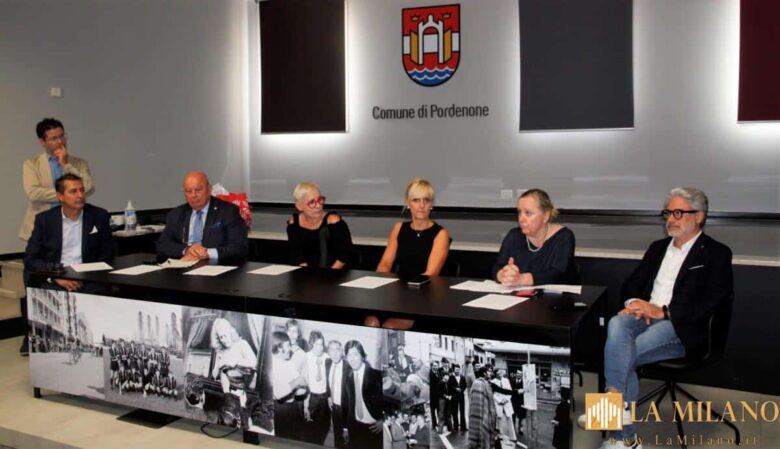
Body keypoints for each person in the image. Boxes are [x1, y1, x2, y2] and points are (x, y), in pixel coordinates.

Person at [593, 187, 733, 449]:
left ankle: (620, 435)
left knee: (621, 354)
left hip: (679, 326)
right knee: (616, 323)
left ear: (699, 216)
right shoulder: (657, 248)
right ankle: (617, 410)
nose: (670, 219)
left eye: (678, 213)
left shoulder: (716, 253)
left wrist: (664, 312)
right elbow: (632, 284)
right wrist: (634, 305)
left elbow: (713, 301)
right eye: (668, 213)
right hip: (643, 316)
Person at [24, 174, 113, 293]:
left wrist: (87, 276)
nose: (80, 195)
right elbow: (31, 258)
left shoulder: (99, 216)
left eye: (82, 190)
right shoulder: (45, 220)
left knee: (96, 290)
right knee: (52, 292)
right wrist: (55, 276)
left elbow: (107, 252)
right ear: (60, 196)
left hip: (88, 277)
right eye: (73, 191)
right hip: (57, 274)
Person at [20, 118, 94, 241]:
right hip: (43, 224)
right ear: (42, 142)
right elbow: (33, 193)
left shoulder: (80, 163)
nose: (60, 141)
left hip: (74, 222)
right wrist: (66, 195)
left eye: (62, 136)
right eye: (54, 138)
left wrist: (66, 165)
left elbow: (88, 187)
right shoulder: (31, 164)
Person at [156, 171, 248, 264]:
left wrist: (207, 253)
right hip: (184, 265)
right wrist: (187, 250)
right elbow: (162, 245)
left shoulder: (228, 211)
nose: (193, 195)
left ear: (209, 189)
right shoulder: (176, 214)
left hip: (215, 267)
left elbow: (239, 247)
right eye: (188, 191)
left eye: (198, 190)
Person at [492, 188, 579, 287]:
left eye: (528, 213)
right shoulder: (514, 235)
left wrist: (521, 279)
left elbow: (558, 273)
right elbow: (497, 267)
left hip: (561, 295)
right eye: (519, 212)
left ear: (545, 216)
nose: (521, 219)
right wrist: (504, 275)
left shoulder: (564, 236)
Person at [377, 178, 450, 277]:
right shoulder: (398, 228)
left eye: (426, 200)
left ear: (431, 204)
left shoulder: (441, 234)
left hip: (427, 285)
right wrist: (380, 280)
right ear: (408, 203)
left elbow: (431, 274)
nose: (422, 205)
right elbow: (385, 263)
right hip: (400, 285)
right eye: (416, 200)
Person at [287, 182, 355, 268]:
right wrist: (307, 273)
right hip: (306, 273)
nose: (318, 205)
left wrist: (326, 274)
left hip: (335, 272)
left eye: (320, 200)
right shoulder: (293, 224)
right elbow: (297, 255)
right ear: (299, 206)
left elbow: (344, 255)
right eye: (312, 202)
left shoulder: (333, 222)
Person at [211, 318, 258, 429]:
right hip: (228, 395)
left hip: (244, 393)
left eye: (225, 335)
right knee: (226, 424)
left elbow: (254, 363)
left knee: (244, 427)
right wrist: (218, 365)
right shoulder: (220, 351)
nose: (223, 340)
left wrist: (235, 362)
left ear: (230, 332)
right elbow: (214, 375)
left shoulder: (242, 344)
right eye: (220, 337)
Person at [343, 340, 383, 448]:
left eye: (355, 354)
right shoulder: (348, 377)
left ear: (363, 356)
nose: (352, 359)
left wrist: (383, 421)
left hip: (374, 429)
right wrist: (345, 428)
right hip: (355, 428)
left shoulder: (376, 375)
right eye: (349, 355)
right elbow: (346, 404)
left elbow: (389, 401)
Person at [272, 331, 308, 439]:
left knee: (295, 439)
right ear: (279, 347)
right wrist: (296, 382)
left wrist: (295, 385)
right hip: (278, 410)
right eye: (288, 345)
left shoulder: (290, 363)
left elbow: (303, 389)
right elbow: (278, 394)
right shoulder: (270, 364)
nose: (290, 349)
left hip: (293, 408)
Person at [303, 331, 330, 445]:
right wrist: (305, 405)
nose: (320, 347)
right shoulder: (306, 357)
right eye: (316, 344)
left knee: (323, 428)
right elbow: (304, 382)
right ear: (311, 344)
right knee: (310, 430)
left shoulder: (327, 357)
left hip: (324, 399)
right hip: (311, 399)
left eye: (321, 344)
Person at [326, 340, 349, 448]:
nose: (334, 353)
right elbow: (327, 382)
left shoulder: (348, 367)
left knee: (346, 440)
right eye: (331, 350)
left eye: (337, 349)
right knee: (337, 439)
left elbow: (351, 398)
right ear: (328, 352)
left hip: (346, 409)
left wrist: (346, 427)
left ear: (342, 352)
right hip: (334, 408)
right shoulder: (327, 363)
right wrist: (329, 396)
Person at [468, 365, 497, 449]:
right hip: (480, 412)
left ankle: (481, 445)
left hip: (483, 412)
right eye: (489, 372)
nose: (490, 373)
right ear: (484, 373)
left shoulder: (486, 383)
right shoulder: (478, 383)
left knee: (483, 430)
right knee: (481, 428)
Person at [491, 369, 517, 444]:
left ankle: (513, 437)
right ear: (495, 374)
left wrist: (507, 399)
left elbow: (510, 391)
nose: (500, 374)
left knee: (509, 418)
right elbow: (492, 394)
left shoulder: (506, 380)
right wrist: (499, 400)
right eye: (498, 373)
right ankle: (500, 435)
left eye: (501, 372)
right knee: (499, 419)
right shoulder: (493, 382)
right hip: (498, 403)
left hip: (506, 402)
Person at [448, 364, 467, 432]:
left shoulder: (462, 377)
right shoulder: (451, 377)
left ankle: (463, 427)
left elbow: (465, 385)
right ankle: (456, 427)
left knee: (462, 411)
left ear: (459, 370)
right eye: (456, 370)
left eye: (458, 370)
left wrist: (461, 389)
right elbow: (449, 386)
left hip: (461, 396)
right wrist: (455, 389)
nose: (457, 371)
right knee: (454, 412)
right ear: (454, 370)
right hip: (454, 396)